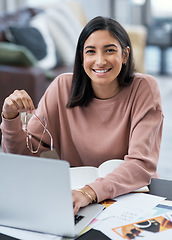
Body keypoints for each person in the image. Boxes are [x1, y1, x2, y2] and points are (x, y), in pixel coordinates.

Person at [1, 16, 163, 215]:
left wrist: (89, 192)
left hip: (133, 196)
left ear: (125, 54)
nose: (100, 61)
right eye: (91, 52)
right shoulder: (61, 88)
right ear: (81, 57)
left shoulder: (144, 88)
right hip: (77, 201)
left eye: (110, 50)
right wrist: (9, 119)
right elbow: (23, 156)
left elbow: (141, 165)